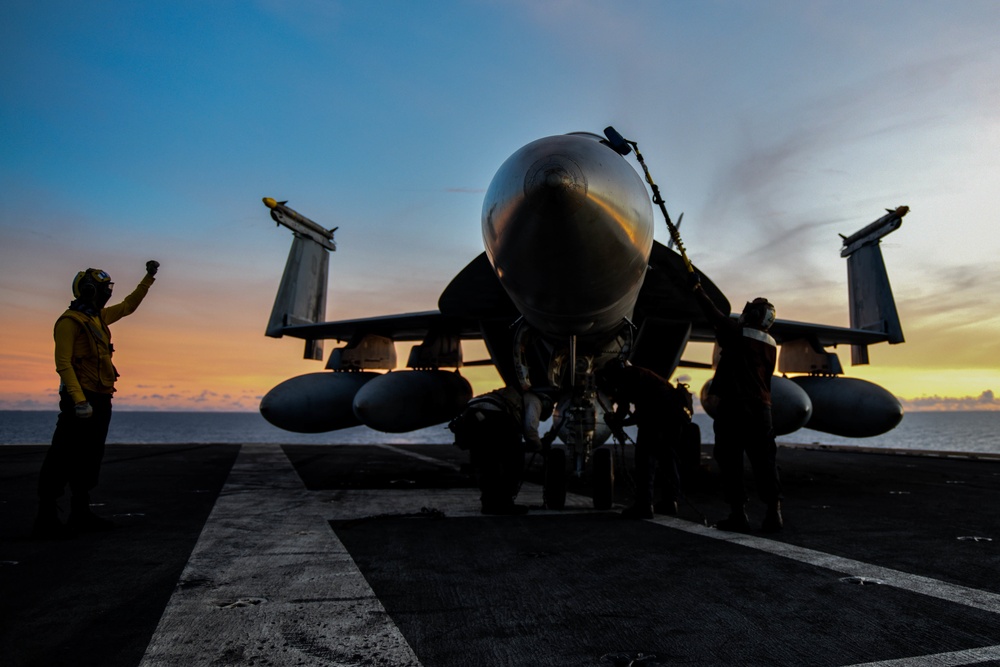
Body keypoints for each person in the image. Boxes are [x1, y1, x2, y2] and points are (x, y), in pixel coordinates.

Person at [32, 261, 160, 539]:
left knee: (90, 455)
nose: (108, 293)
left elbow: (128, 306)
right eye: (104, 288)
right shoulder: (69, 322)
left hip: (101, 396)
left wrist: (148, 278)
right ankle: (46, 515)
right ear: (89, 290)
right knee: (62, 454)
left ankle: (81, 512)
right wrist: (79, 401)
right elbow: (63, 363)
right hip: (80, 398)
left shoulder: (97, 318)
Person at [691, 273, 783, 532]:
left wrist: (697, 289)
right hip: (762, 410)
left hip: (734, 408)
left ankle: (738, 515)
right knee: (765, 461)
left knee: (730, 460)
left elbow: (714, 315)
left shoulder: (739, 334)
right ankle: (774, 513)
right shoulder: (770, 343)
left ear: (753, 316)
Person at [597, 360, 692, 519]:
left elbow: (625, 408)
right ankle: (670, 503)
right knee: (668, 460)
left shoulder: (626, 377)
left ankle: (644, 505)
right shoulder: (643, 375)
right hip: (673, 419)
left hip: (657, 419)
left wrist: (618, 422)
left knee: (645, 460)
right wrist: (623, 422)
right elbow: (641, 410)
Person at [449, 386, 553, 515]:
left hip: (470, 414)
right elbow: (530, 428)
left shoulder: (509, 395)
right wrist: (538, 447)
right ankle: (505, 503)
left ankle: (488, 504)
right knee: (513, 462)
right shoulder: (534, 400)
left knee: (485, 464)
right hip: (495, 416)